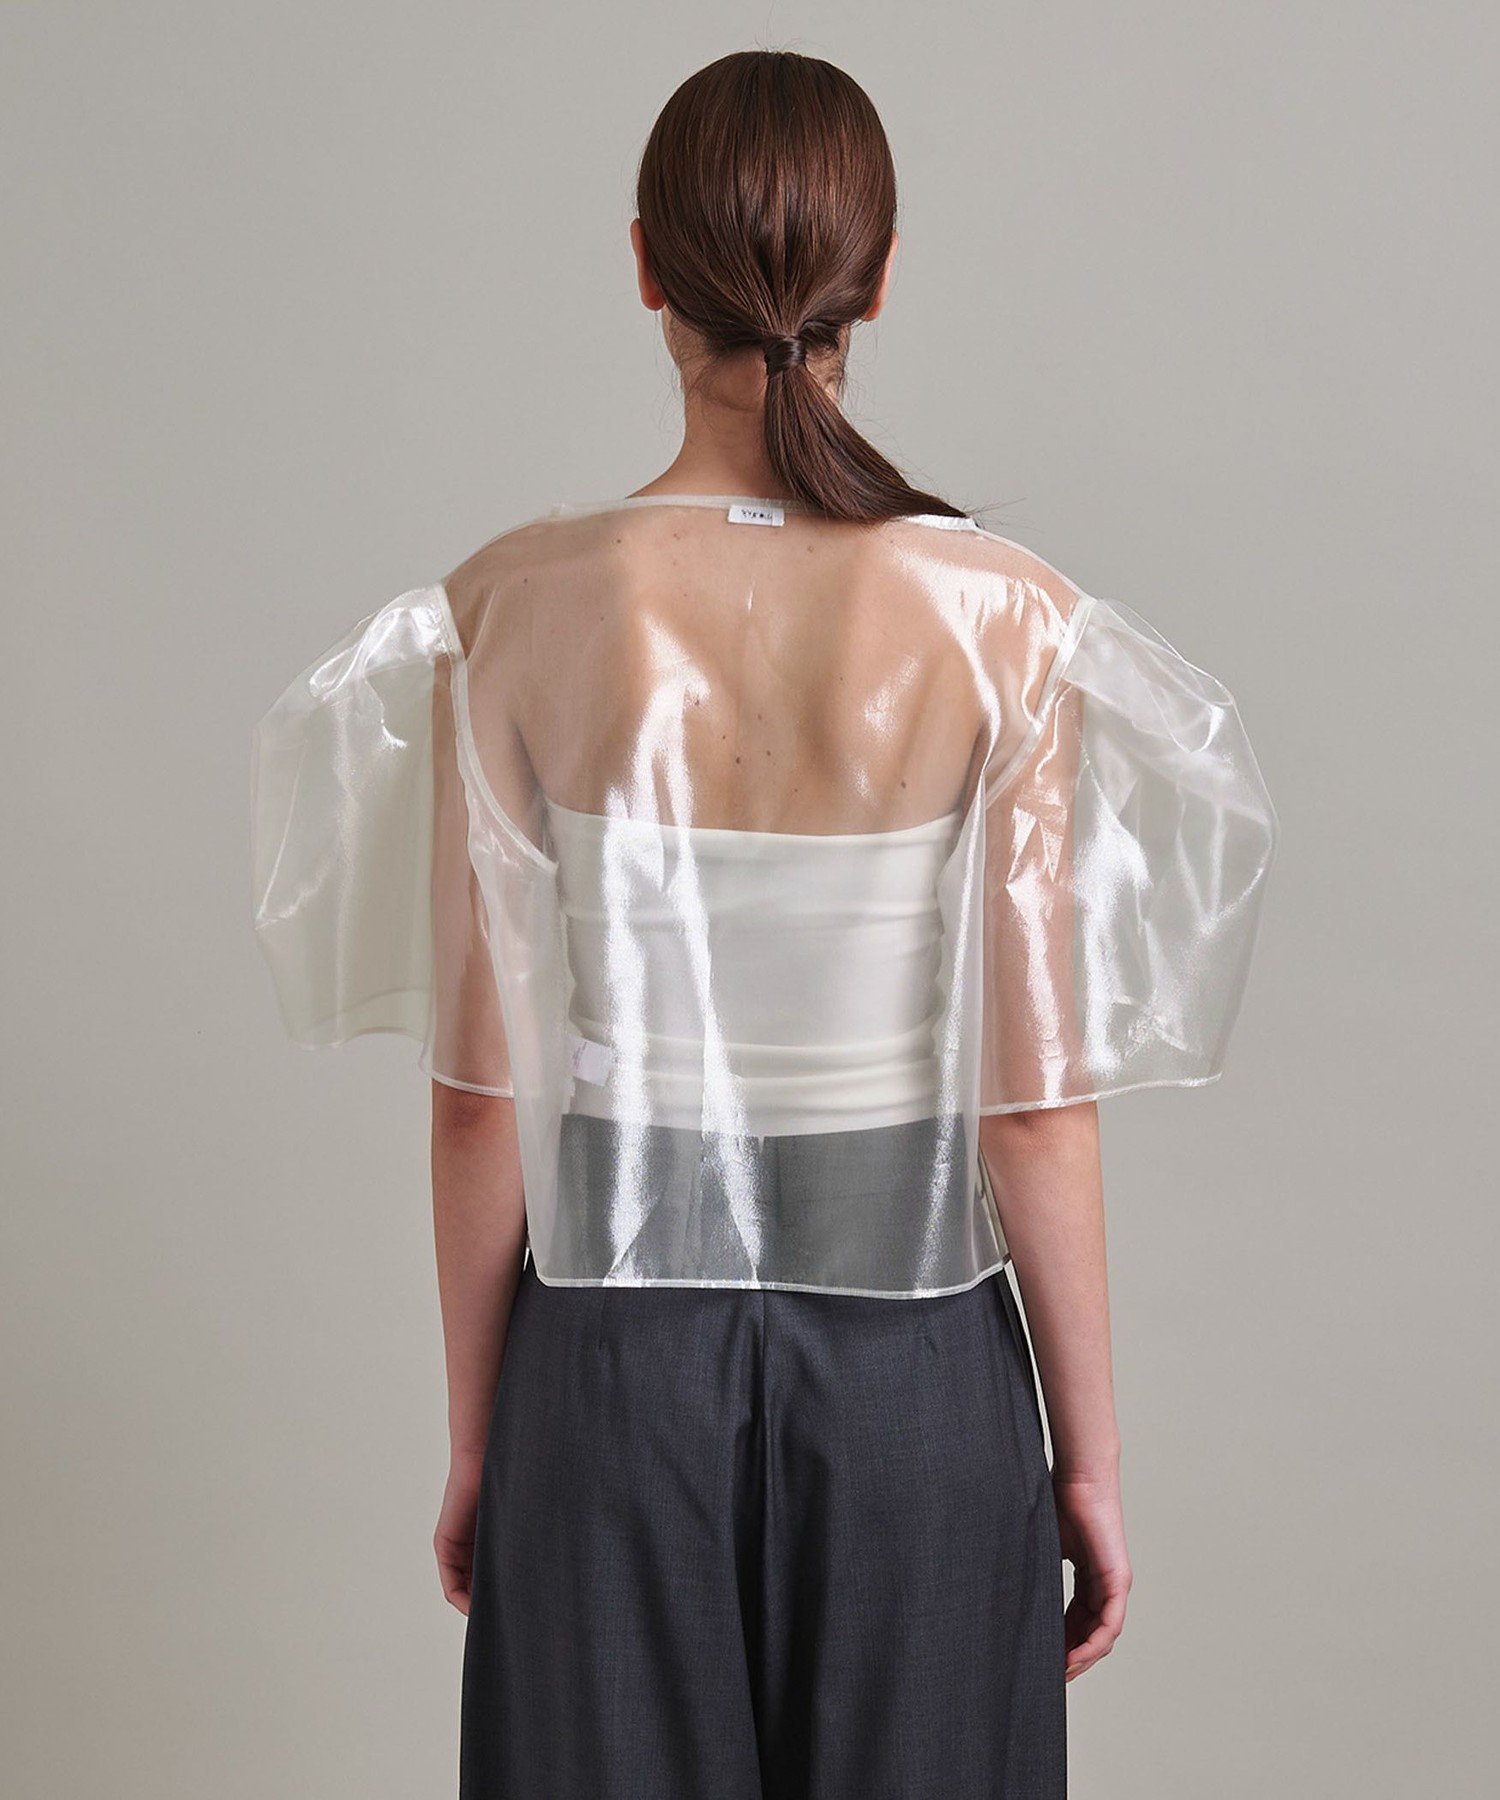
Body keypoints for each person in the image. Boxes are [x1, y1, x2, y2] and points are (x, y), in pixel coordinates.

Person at [251, 48, 1276, 1800]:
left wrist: (485, 1441)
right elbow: (1031, 1107)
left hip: (607, 1377)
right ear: (879, 279)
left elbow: (481, 1100)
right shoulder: (1004, 621)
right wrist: (1088, 1466)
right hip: (918, 1389)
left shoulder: (513, 608)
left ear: (647, 265)